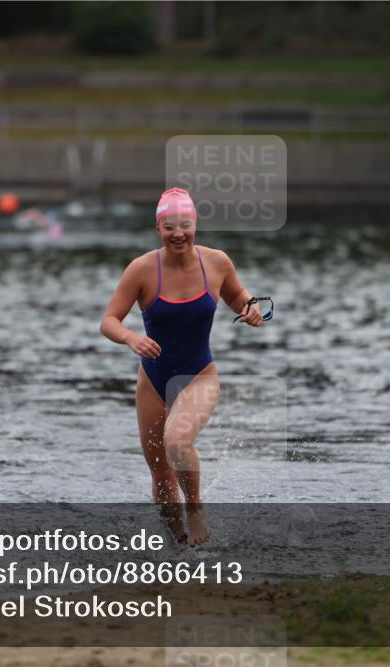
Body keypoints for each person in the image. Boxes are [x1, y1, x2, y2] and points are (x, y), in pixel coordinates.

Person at [100, 188, 264, 546]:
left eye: (185, 225)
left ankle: (196, 510)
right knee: (160, 477)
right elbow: (109, 320)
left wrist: (250, 310)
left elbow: (238, 296)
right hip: (153, 380)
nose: (178, 233)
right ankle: (178, 546)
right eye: (169, 226)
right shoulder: (142, 269)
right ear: (158, 229)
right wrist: (130, 338)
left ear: (195, 226)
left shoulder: (217, 262)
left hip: (198, 376)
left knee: (177, 442)